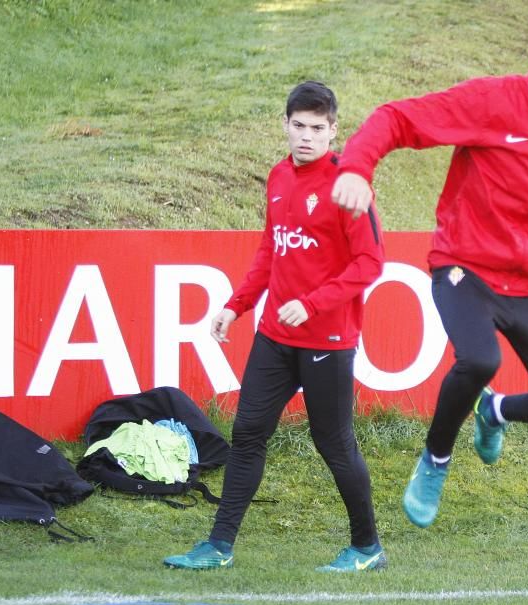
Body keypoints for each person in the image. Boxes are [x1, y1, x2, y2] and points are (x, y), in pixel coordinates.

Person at [331, 19, 528, 528]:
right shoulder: (493, 102)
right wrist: (356, 167)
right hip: (466, 268)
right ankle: (435, 459)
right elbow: (397, 118)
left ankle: (496, 412)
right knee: (480, 358)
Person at [165, 81, 387, 572]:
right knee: (247, 432)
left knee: (334, 443)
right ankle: (219, 546)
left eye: (317, 128)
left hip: (327, 339)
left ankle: (368, 547)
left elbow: (371, 263)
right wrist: (236, 305)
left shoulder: (348, 187)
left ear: (334, 131)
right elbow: (272, 249)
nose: (307, 136)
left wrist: (312, 304)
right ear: (285, 125)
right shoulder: (278, 177)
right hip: (274, 335)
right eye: (299, 126)